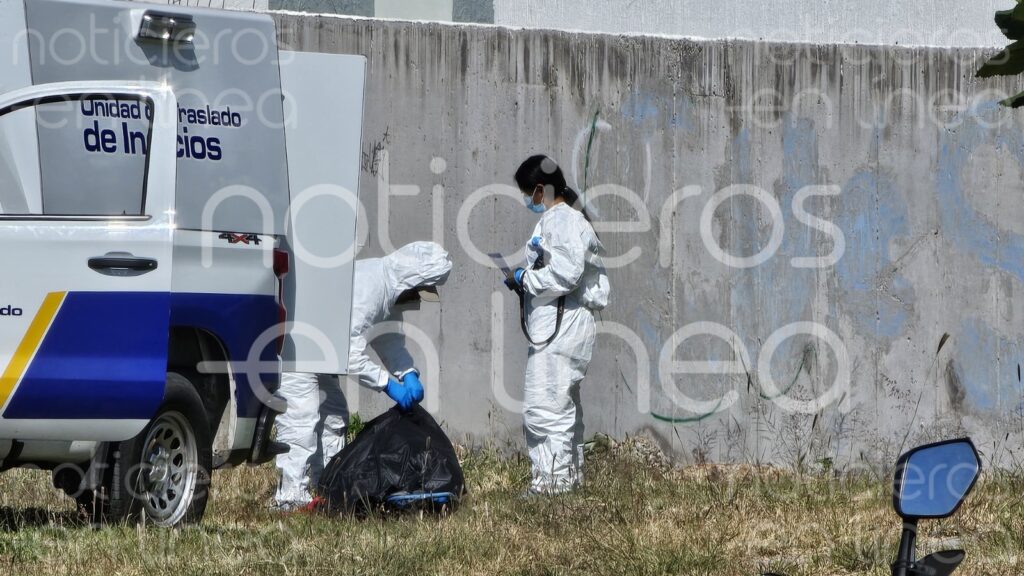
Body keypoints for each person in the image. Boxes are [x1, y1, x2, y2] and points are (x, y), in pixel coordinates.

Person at [273, 241, 453, 511]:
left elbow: (389, 339)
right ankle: (289, 498)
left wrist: (408, 373)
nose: (417, 297)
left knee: (335, 417)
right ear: (411, 280)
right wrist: (389, 385)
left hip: (320, 354)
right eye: (419, 290)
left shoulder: (387, 290)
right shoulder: (369, 288)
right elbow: (349, 354)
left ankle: (327, 485)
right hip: (297, 349)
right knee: (302, 419)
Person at [504, 155, 610, 495]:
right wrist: (525, 279)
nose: (526, 201)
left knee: (544, 406)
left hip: (562, 325)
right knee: (562, 406)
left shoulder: (561, 220)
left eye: (526, 193)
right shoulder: (565, 219)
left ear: (539, 190)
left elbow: (566, 274)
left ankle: (551, 485)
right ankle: (566, 479)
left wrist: (526, 279)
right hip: (564, 324)